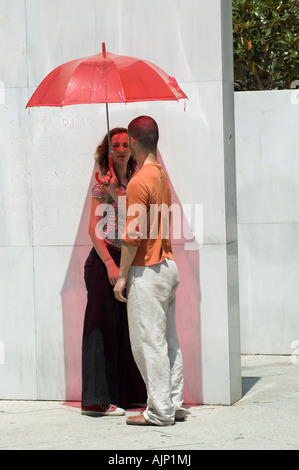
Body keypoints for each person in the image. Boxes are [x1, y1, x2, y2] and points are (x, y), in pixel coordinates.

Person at [114, 116, 186, 426]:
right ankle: (174, 403)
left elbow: (133, 236)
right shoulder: (160, 176)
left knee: (148, 343)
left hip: (148, 271)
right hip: (168, 266)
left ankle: (159, 411)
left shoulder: (139, 181)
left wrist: (120, 277)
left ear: (131, 143)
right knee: (168, 342)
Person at [81, 127, 146, 417]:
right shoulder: (102, 186)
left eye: (125, 145)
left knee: (124, 331)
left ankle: (124, 396)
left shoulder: (131, 181)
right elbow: (94, 232)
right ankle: (95, 402)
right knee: (100, 331)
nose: (120, 149)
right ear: (107, 151)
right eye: (115, 145)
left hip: (125, 263)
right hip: (102, 263)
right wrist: (109, 264)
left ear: (132, 149)